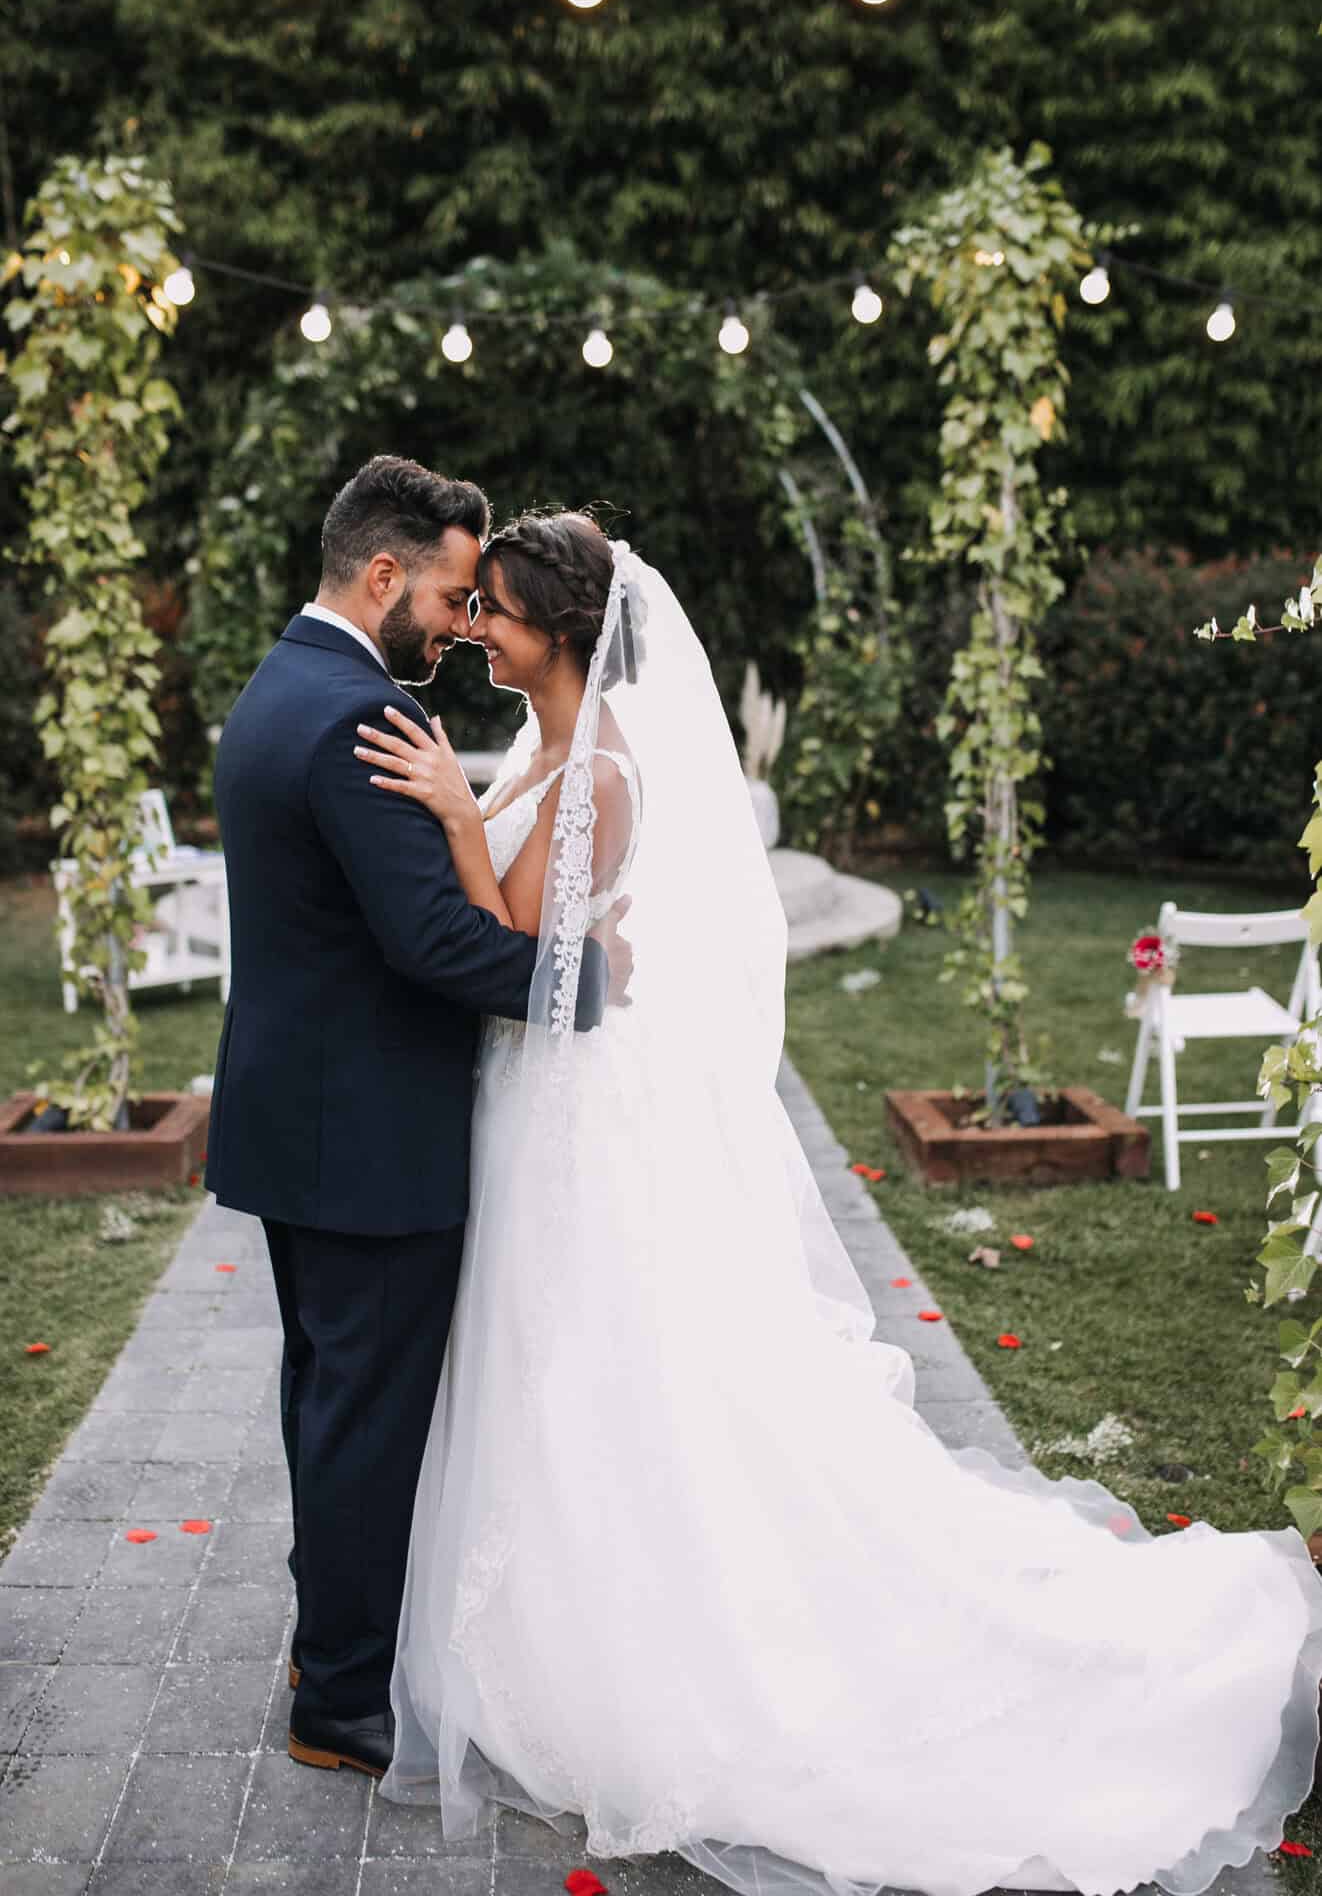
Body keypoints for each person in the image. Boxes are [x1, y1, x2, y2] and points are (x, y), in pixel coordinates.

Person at [358, 506, 1322, 1896]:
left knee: (604, 1353)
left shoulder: (595, 773)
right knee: (572, 1362)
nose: (472, 628)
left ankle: (657, 1618)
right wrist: (480, 797)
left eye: (493, 610)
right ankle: (585, 1595)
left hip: (576, 1109)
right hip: (556, 1091)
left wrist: (455, 810)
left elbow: (511, 942)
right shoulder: (553, 747)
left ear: (558, 633)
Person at [205, 458, 619, 1782]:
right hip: (367, 1138)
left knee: (328, 1401)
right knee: (361, 1417)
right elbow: (436, 943)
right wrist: (591, 980)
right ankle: (338, 1701)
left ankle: (324, 1640)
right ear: (382, 574)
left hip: (303, 1121)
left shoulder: (286, 686)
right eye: (447, 592)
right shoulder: (352, 715)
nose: (453, 621)